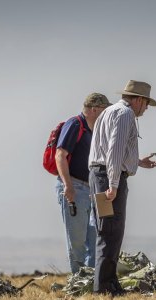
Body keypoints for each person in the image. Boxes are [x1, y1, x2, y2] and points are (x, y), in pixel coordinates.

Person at [88, 80, 156, 296]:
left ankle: (108, 283)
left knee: (108, 231)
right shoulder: (125, 114)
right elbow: (114, 150)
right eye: (146, 104)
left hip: (100, 174)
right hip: (108, 176)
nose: (146, 109)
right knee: (111, 231)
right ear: (138, 100)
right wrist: (113, 184)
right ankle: (104, 287)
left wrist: (137, 161)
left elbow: (110, 148)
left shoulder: (109, 111)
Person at [55, 93, 111, 274]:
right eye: (104, 109)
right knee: (77, 241)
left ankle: (92, 280)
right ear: (94, 109)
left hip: (93, 189)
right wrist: (68, 186)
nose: (107, 114)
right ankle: (78, 281)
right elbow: (60, 155)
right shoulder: (74, 124)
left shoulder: (95, 130)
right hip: (75, 188)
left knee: (95, 238)